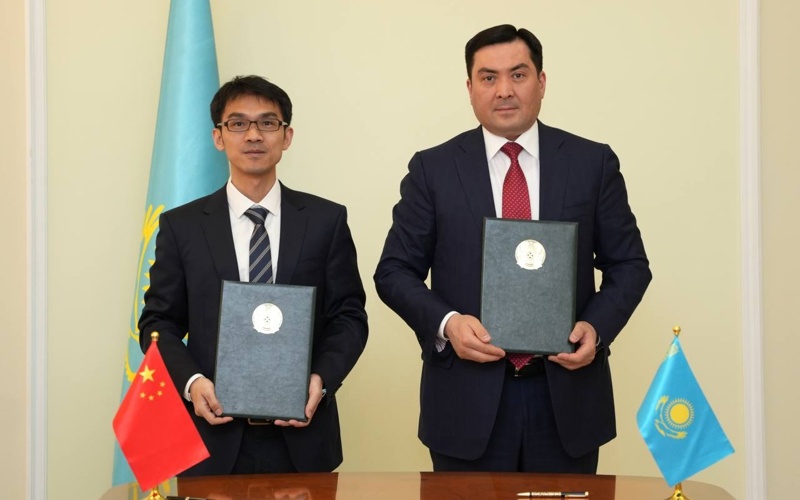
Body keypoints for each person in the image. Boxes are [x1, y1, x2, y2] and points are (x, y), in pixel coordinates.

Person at [374, 25, 651, 473]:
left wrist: (596, 328)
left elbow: (630, 265)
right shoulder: (433, 169)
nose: (504, 90)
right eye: (488, 77)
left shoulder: (591, 163)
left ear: (541, 82)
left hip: (566, 399)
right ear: (470, 88)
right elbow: (393, 272)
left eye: (518, 75)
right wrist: (448, 324)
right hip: (465, 402)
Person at [139, 75, 368, 474]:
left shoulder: (325, 220)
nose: (253, 135)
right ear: (218, 137)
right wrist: (192, 383)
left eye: (267, 122)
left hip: (303, 437)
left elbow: (348, 317)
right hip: (210, 437)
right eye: (238, 123)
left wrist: (321, 379)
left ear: (287, 136)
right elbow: (158, 323)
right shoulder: (182, 226)